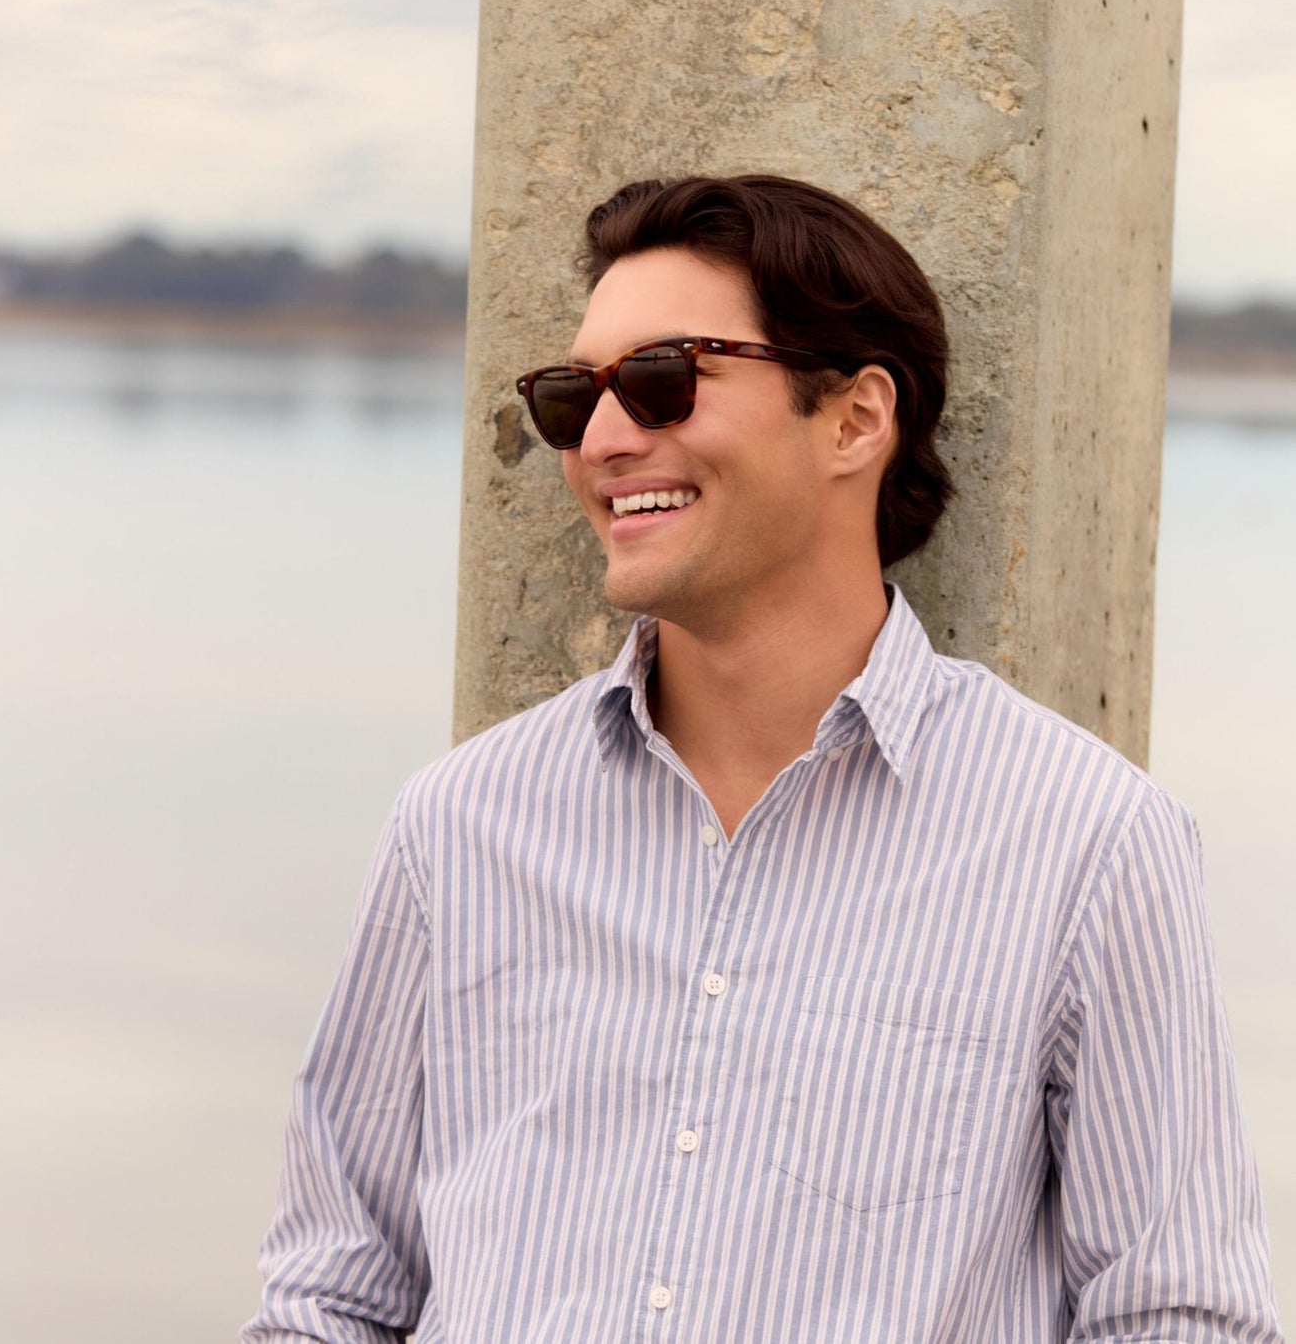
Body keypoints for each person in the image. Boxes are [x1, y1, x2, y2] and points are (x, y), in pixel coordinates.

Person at [242, 175, 1282, 1342]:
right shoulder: (457, 823)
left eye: (660, 379)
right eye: (571, 395)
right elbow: (332, 1295)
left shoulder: (1087, 840)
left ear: (852, 418)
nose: (602, 435)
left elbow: (1178, 1313)